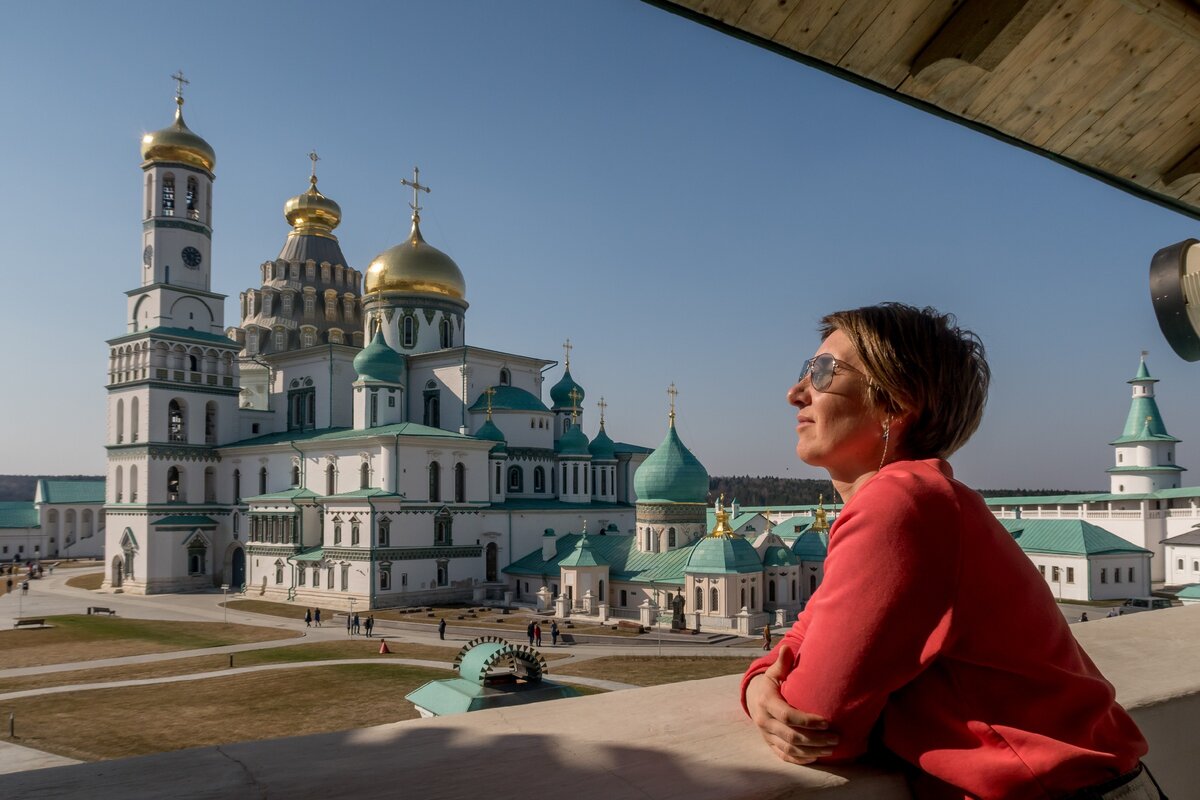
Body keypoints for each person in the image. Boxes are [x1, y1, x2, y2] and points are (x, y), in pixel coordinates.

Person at [742, 304, 1160, 799]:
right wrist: (756, 684)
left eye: (823, 371)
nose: (796, 392)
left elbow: (818, 725)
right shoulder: (921, 498)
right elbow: (806, 634)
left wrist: (771, 685)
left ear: (896, 404)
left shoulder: (902, 505)